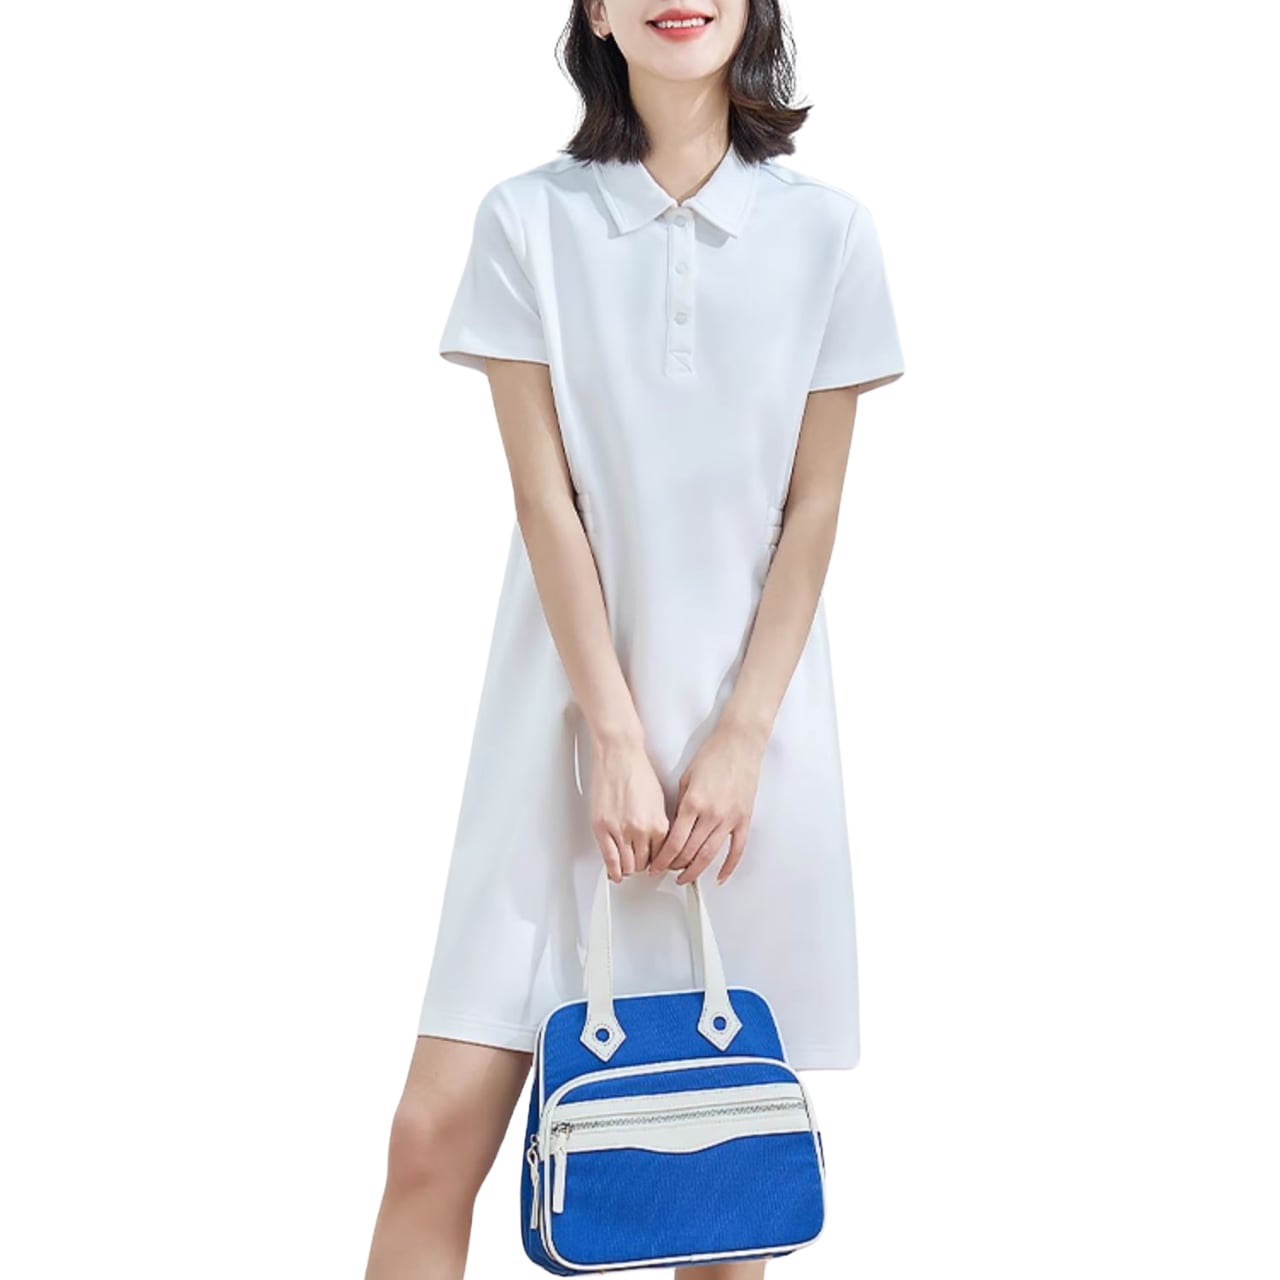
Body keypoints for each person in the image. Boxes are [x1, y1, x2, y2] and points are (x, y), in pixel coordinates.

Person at [364, 2, 904, 1275]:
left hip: (747, 755)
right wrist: (611, 735)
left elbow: (812, 511)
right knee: (432, 1137)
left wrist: (740, 739)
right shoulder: (526, 221)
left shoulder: (828, 233)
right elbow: (544, 501)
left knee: (716, 1197)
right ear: (596, 11)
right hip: (553, 742)